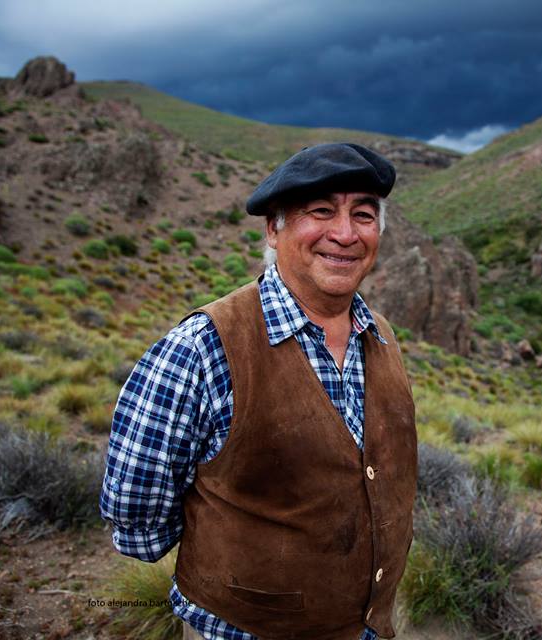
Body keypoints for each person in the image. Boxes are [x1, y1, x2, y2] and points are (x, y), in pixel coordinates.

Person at [100, 143, 418, 640]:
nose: (345, 233)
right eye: (320, 211)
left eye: (363, 214)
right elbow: (136, 514)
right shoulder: (203, 347)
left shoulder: (381, 336)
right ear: (274, 228)